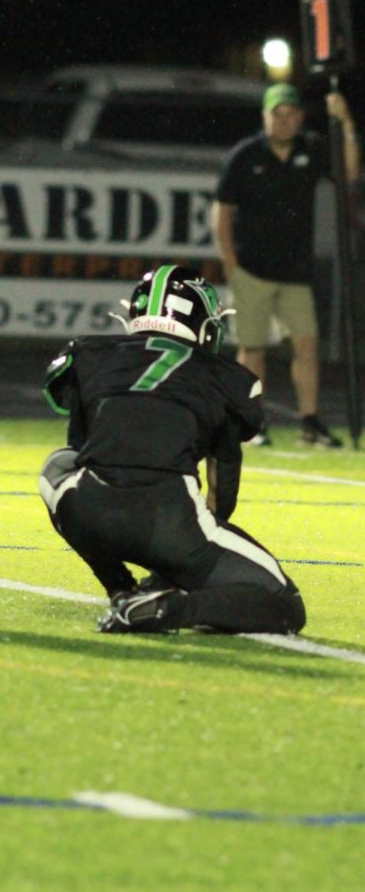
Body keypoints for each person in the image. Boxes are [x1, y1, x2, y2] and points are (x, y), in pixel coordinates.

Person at [38, 265, 306, 635]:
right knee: (284, 604)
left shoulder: (88, 354)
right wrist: (179, 564)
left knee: (57, 466)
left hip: (90, 513)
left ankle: (120, 588)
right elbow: (222, 489)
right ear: (204, 323)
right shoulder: (228, 378)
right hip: (168, 523)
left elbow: (80, 450)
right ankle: (171, 608)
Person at [212, 81, 359, 447]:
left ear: (300, 117)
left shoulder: (311, 148)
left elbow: (349, 174)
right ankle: (251, 424)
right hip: (251, 268)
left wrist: (346, 123)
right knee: (253, 347)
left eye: (291, 114)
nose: (285, 121)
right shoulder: (246, 155)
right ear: (265, 117)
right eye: (277, 114)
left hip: (296, 271)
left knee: (307, 345)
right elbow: (222, 213)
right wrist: (231, 263)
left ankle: (310, 423)